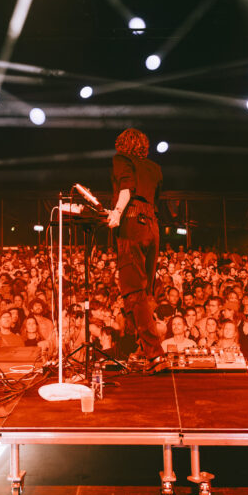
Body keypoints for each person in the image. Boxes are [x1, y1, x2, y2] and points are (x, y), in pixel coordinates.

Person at [107, 128, 165, 365]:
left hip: (132, 221)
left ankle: (154, 353)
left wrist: (117, 213)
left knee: (133, 289)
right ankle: (143, 348)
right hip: (152, 224)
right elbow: (154, 198)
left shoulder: (121, 159)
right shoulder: (154, 168)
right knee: (144, 290)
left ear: (122, 144)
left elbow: (126, 188)